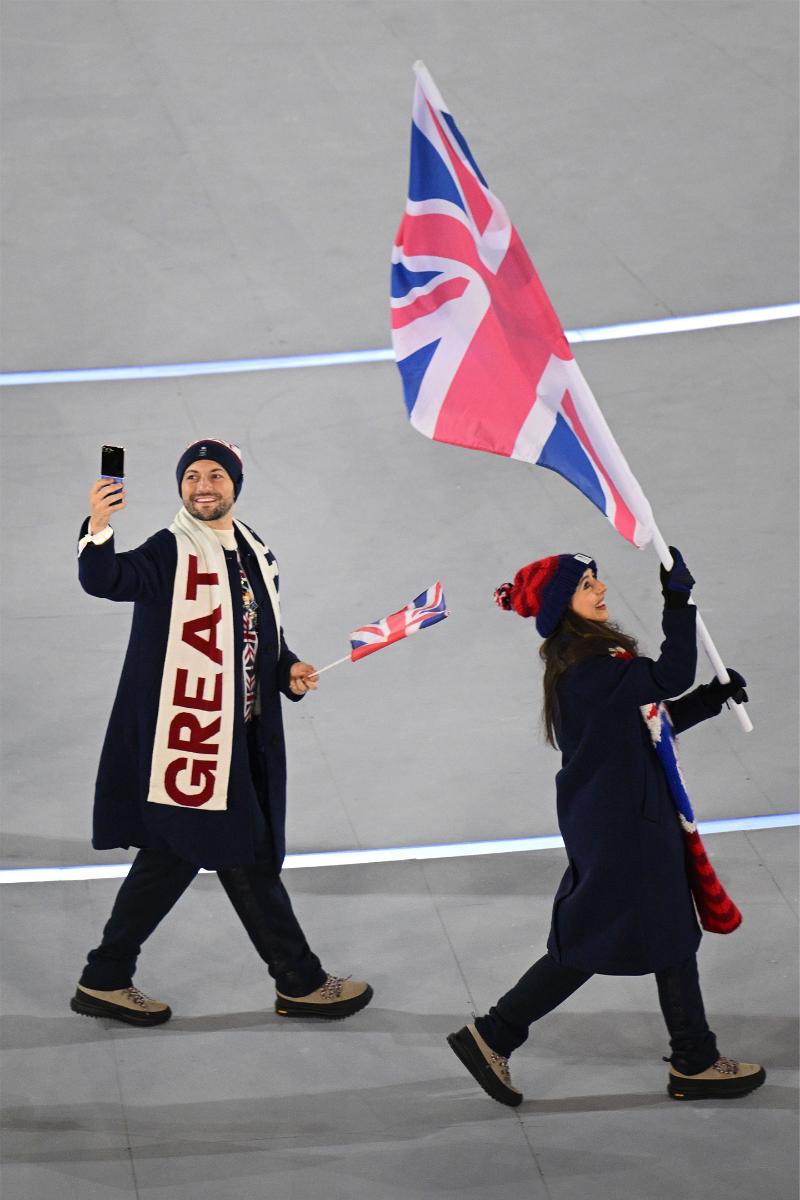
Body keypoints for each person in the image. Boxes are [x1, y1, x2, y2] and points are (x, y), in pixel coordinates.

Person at [70, 437, 372, 1026]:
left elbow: (256, 631)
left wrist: (288, 668)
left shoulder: (252, 548)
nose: (203, 487)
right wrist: (98, 527)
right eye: (191, 478)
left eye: (215, 476)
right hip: (193, 738)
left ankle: (104, 976)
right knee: (241, 852)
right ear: (180, 489)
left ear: (235, 484)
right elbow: (105, 580)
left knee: (178, 853)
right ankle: (299, 980)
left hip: (240, 737)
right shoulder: (168, 551)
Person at [447, 550, 765, 1104]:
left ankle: (694, 1057)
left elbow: (647, 724)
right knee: (590, 942)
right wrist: (677, 603)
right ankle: (494, 1033)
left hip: (633, 816)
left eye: (595, 581)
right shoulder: (588, 667)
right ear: (560, 605)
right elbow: (668, 676)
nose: (600, 591)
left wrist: (710, 702)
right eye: (587, 585)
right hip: (622, 827)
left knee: (670, 933)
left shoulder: (594, 660)